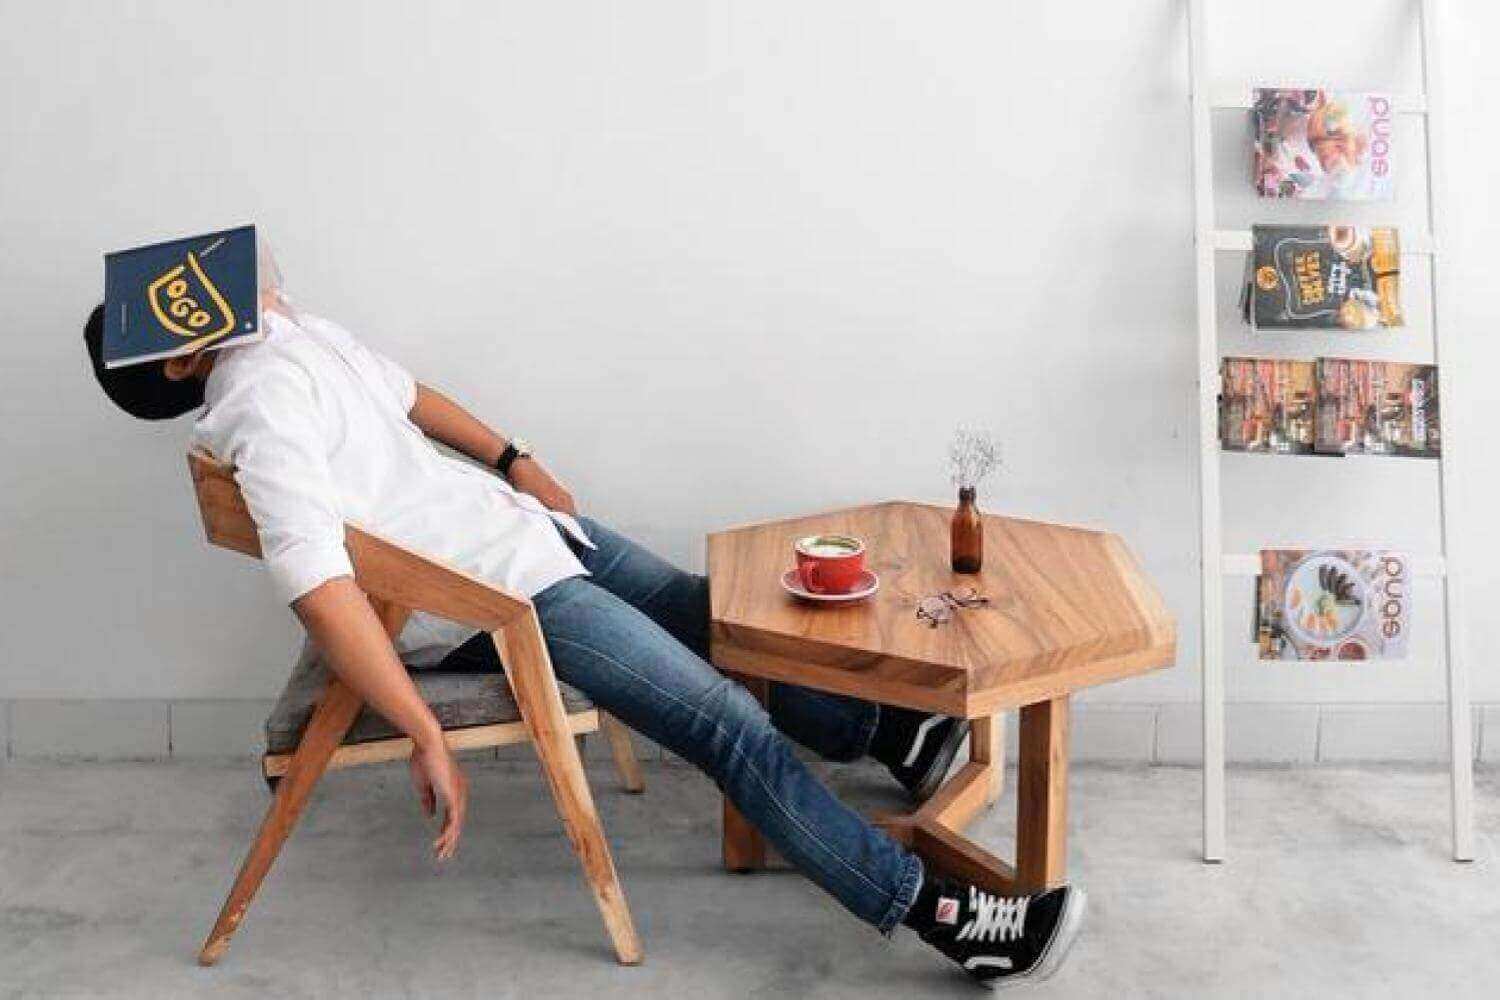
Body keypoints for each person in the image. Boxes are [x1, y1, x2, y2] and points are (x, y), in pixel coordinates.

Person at [81, 246, 1085, 986]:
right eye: (187, 292)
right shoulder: (259, 409)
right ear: (180, 359)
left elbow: (412, 397)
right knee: (729, 728)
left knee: (715, 612)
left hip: (519, 530)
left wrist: (515, 458)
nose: (225, 269)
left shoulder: (293, 338)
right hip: (497, 599)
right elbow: (320, 587)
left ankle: (880, 731)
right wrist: (424, 727)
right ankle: (944, 913)